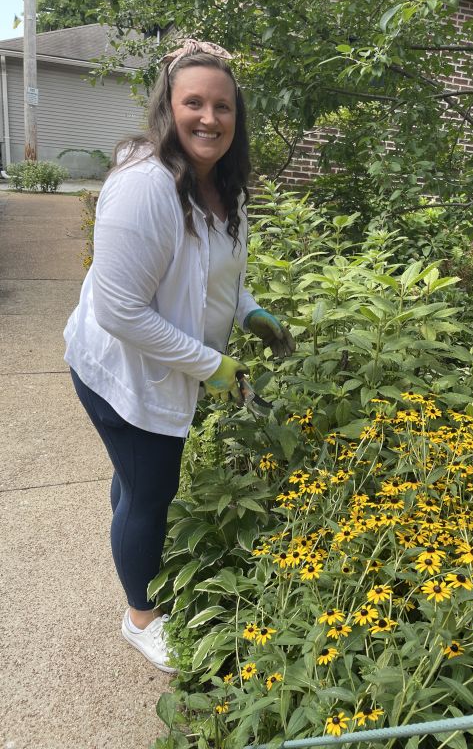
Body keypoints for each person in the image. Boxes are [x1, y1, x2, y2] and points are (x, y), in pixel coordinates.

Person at [63, 39, 295, 673]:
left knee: (133, 481)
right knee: (151, 492)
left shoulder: (225, 187)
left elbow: (217, 271)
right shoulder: (144, 190)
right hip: (123, 374)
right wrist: (212, 366)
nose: (209, 118)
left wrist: (249, 311)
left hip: (170, 366)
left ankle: (129, 531)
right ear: (169, 107)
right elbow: (119, 312)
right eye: (194, 102)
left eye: (223, 106)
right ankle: (140, 618)